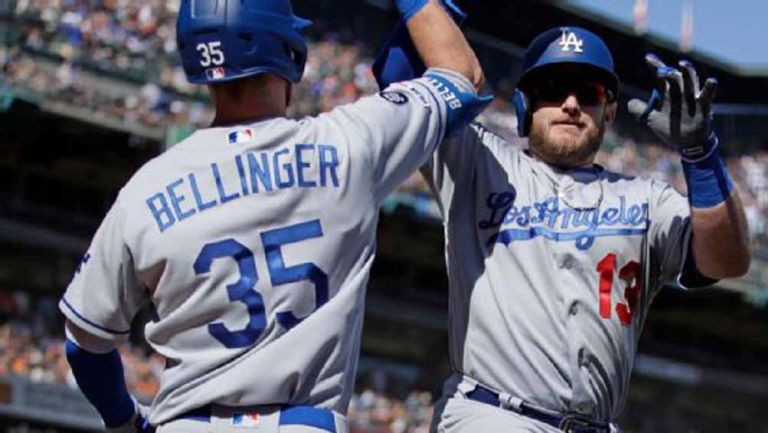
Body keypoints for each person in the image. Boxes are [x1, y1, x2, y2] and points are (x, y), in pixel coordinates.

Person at [58, 0, 491, 432]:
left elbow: (85, 345)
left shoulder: (145, 189)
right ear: (289, 50)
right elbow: (461, 75)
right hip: (302, 423)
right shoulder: (349, 145)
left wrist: (124, 420)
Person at [375, 25, 750, 432]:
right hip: (494, 415)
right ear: (524, 105)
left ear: (609, 110)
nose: (570, 104)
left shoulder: (647, 199)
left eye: (588, 92)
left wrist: (701, 154)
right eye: (552, 88)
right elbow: (401, 75)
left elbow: (725, 261)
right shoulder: (478, 162)